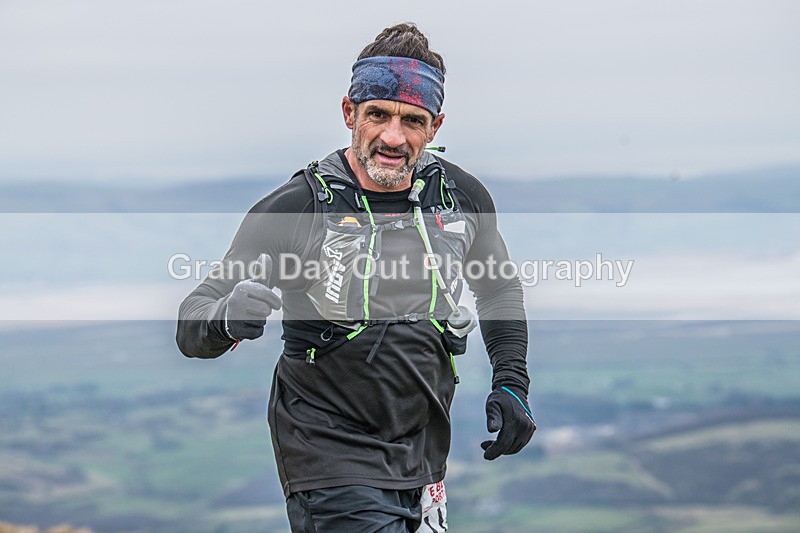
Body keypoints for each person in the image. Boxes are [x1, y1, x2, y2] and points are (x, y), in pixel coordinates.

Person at [176, 23, 535, 532]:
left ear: (435, 126)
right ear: (350, 112)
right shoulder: (297, 208)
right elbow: (191, 320)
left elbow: (497, 287)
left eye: (413, 120)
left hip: (423, 452)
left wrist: (512, 383)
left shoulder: (460, 197)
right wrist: (225, 318)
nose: (394, 137)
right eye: (378, 115)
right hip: (327, 454)